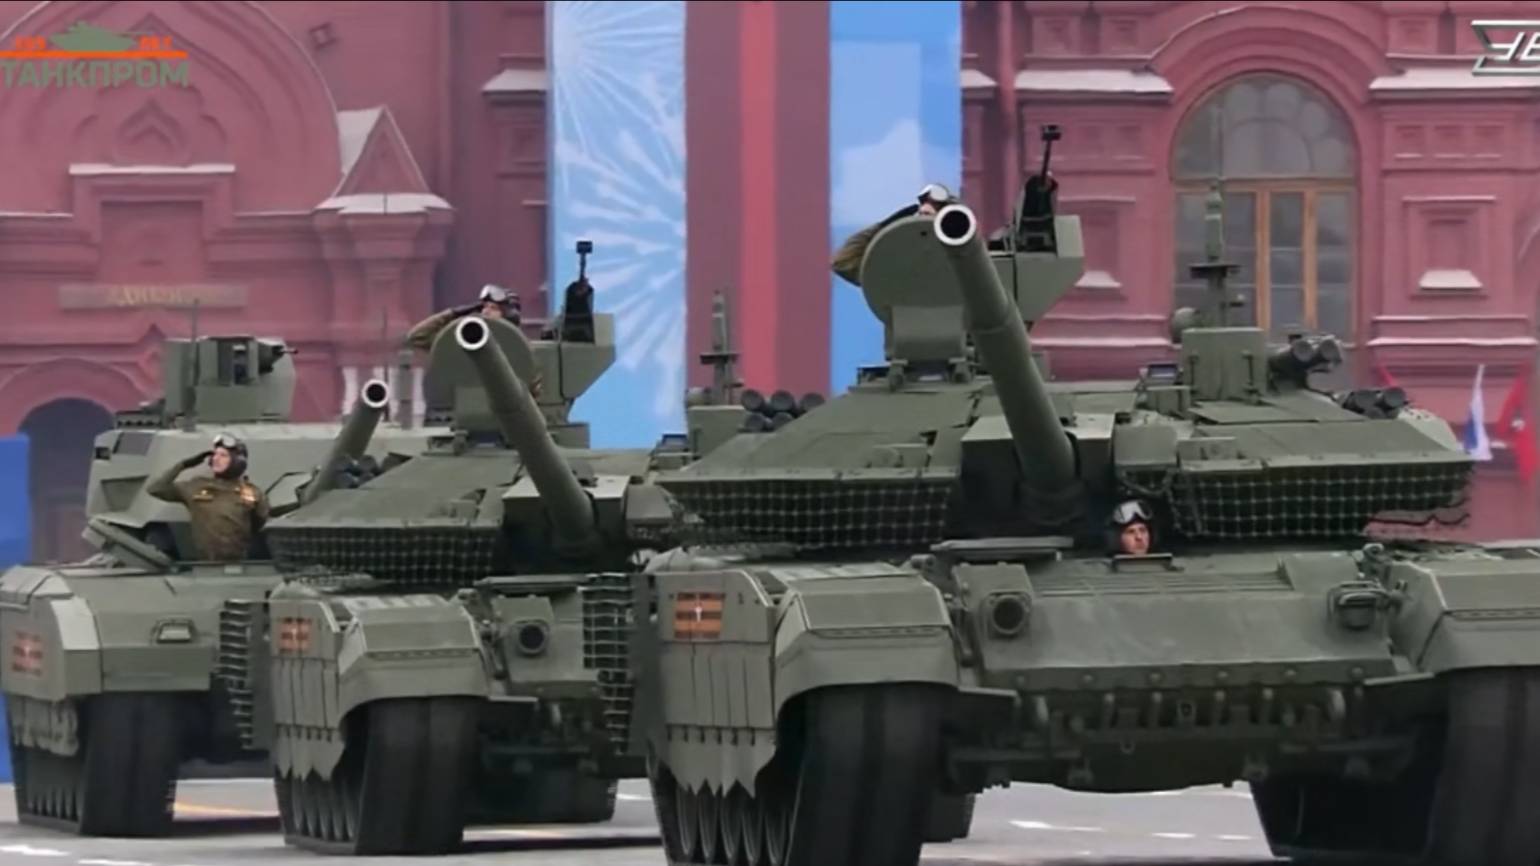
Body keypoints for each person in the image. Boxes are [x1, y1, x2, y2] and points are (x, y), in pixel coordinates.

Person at [145, 433, 269, 561]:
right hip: (205, 563)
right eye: (215, 454)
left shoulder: (252, 493)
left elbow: (259, 521)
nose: (216, 459)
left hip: (240, 562)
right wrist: (183, 465)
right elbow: (155, 488)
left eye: (223, 455)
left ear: (238, 462)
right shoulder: (196, 486)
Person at [831, 183, 956, 287]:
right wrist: (883, 228)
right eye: (923, 205)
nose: (924, 210)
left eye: (936, 206)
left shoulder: (956, 260)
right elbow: (842, 263)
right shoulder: (896, 264)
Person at [403, 283, 522, 351]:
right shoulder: (467, 344)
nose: (486, 311)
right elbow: (417, 337)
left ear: (508, 315)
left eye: (493, 308)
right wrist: (454, 313)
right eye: (484, 307)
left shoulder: (519, 347)